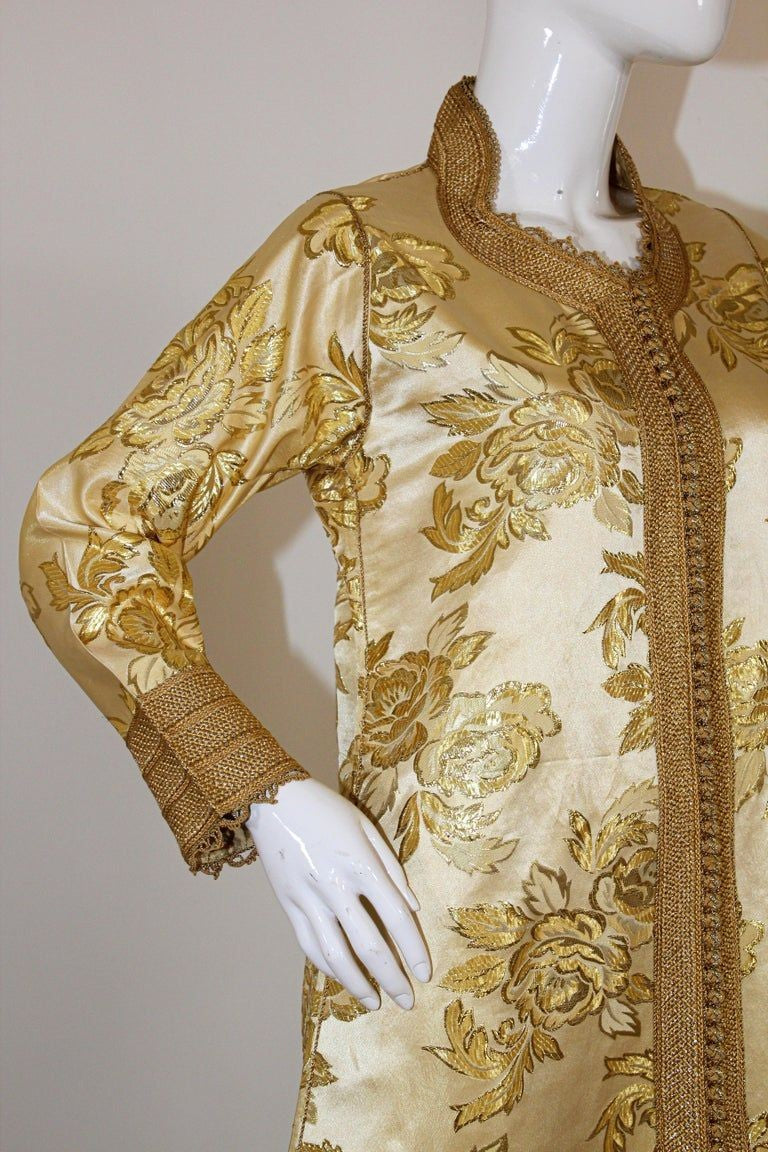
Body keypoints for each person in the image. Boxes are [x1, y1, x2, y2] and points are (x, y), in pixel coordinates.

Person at [18, 2, 767, 1148]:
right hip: (469, 986)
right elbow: (85, 527)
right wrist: (263, 790)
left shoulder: (737, 267)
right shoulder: (364, 257)